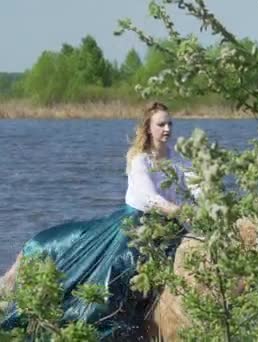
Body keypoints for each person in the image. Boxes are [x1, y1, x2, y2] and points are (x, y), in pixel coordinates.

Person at [0, 102, 194, 338]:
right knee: (123, 265)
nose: (167, 129)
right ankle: (112, 327)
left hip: (171, 227)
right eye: (161, 124)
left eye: (170, 124)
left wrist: (209, 208)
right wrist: (178, 210)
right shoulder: (139, 160)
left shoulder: (180, 160)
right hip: (138, 224)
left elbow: (197, 187)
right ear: (148, 128)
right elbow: (150, 198)